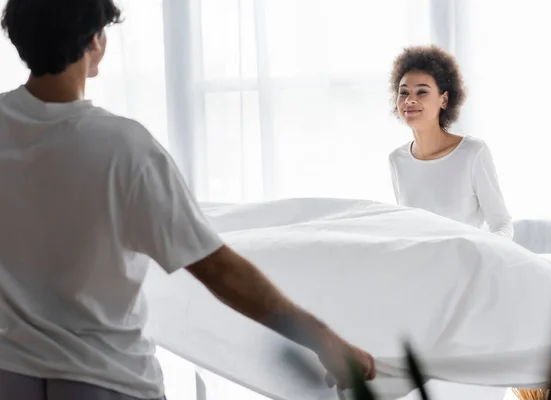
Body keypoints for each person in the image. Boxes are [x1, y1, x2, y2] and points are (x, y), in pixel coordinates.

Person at [0, 1, 375, 399]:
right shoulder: (124, 147)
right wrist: (324, 340)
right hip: (106, 380)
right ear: (95, 39)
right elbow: (219, 271)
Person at [388, 45, 514, 239]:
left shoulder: (473, 153)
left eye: (422, 92)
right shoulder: (397, 160)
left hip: (467, 265)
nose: (410, 100)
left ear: (444, 100)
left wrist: (482, 257)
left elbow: (502, 224)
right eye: (403, 92)